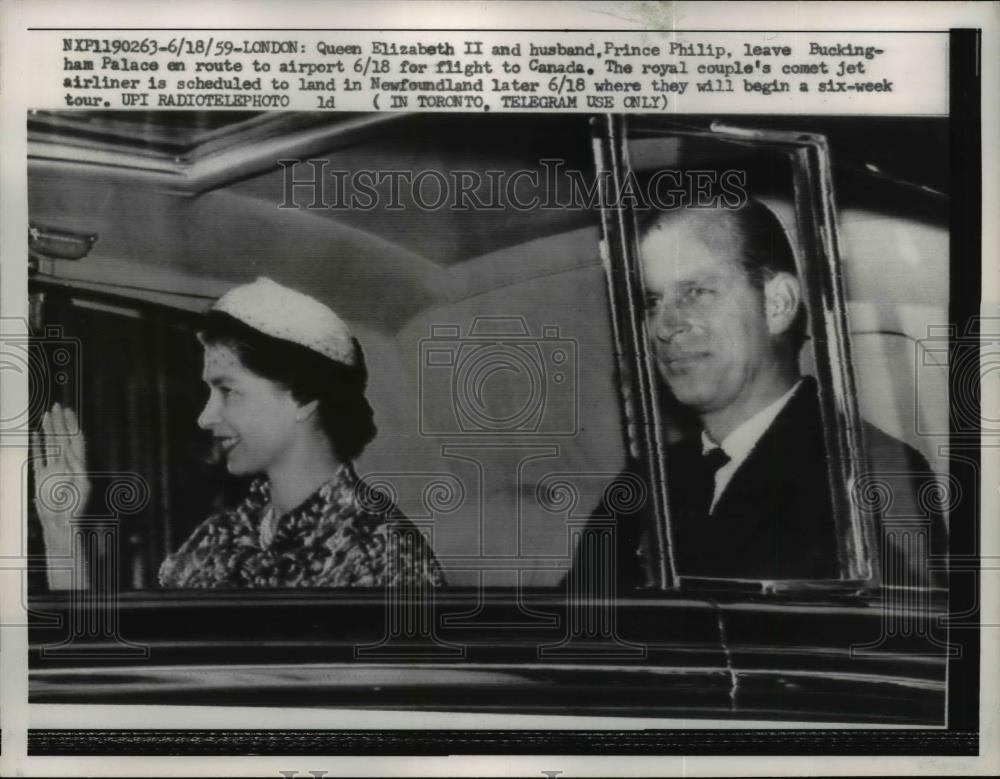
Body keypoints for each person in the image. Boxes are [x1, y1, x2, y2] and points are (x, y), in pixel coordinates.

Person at [578, 201, 945, 587]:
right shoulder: (644, 483)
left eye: (697, 292)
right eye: (652, 302)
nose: (664, 328)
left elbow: (897, 637)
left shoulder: (868, 470)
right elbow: (574, 631)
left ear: (777, 304)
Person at [32, 277, 445, 589]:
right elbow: (132, 674)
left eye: (228, 391)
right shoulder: (221, 534)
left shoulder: (383, 552)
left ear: (303, 398)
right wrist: (61, 529)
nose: (206, 417)